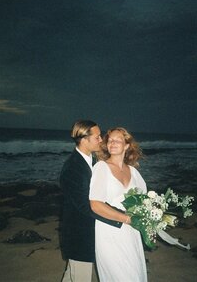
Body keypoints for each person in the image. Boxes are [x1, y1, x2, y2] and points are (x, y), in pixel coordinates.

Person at [59, 120, 127, 282]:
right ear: (84, 140)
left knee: (72, 276)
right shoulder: (73, 168)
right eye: (97, 137)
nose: (101, 140)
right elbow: (86, 205)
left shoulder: (93, 162)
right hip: (78, 236)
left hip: (88, 233)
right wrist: (121, 218)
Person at [89, 127, 148, 282]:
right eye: (110, 140)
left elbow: (145, 201)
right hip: (109, 232)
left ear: (127, 145)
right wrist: (126, 219)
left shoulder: (134, 172)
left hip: (132, 233)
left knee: (135, 274)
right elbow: (95, 204)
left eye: (118, 140)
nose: (112, 143)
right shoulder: (101, 168)